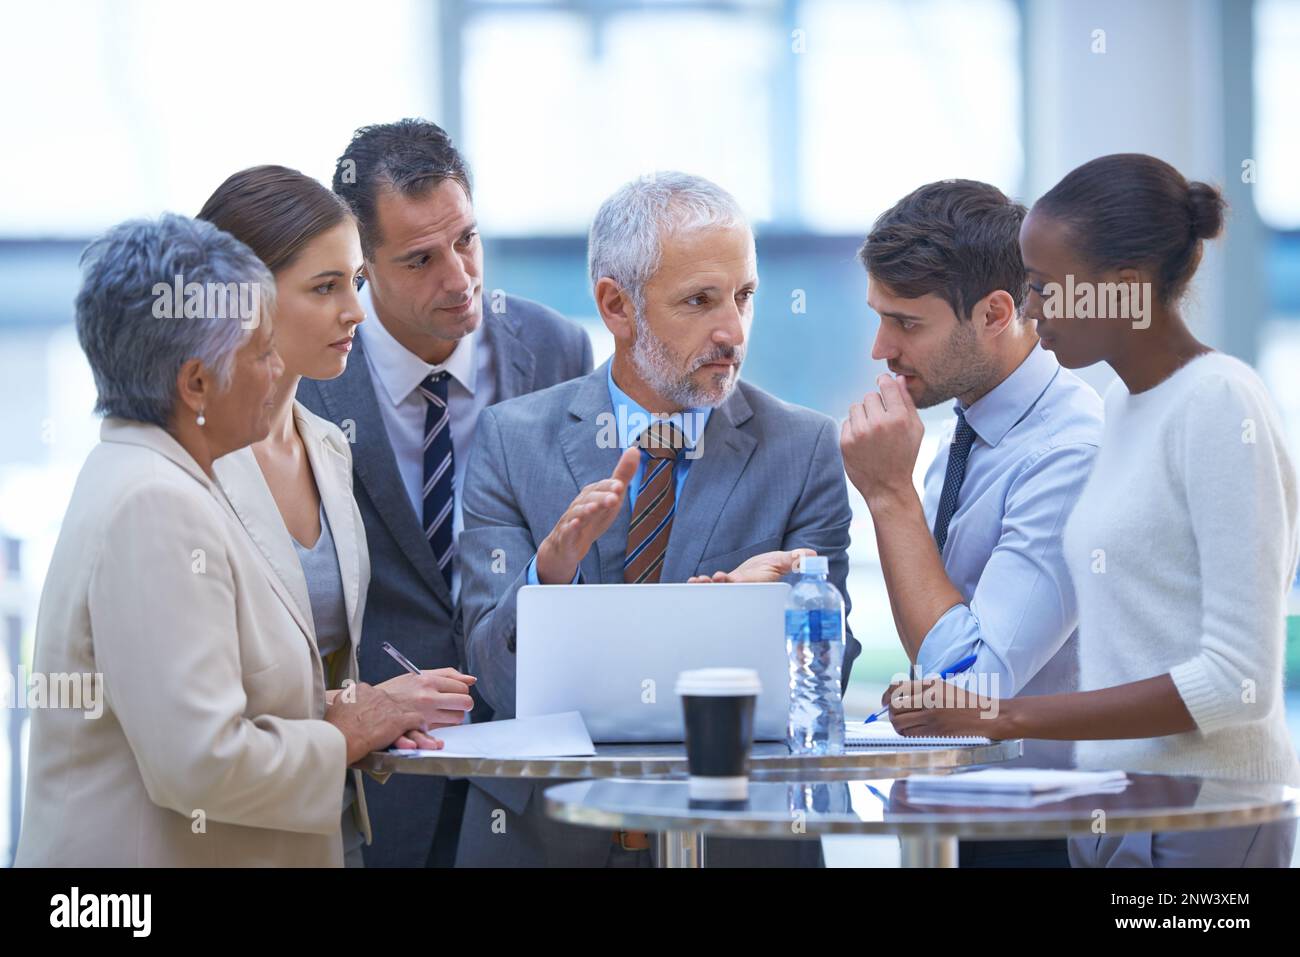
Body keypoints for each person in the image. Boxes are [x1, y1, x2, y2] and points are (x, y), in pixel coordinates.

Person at [889, 154, 1300, 867]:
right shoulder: (1122, 408)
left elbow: (1239, 679)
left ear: (1127, 290)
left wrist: (1003, 714)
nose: (1029, 310)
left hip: (1208, 811)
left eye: (1044, 287)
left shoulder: (1220, 402)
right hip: (1115, 805)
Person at [457, 171, 857, 867]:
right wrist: (548, 576)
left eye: (745, 296)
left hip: (740, 837)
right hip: (541, 838)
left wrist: (743, 606)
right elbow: (493, 677)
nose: (732, 330)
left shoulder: (804, 447)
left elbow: (826, 677)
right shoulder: (510, 439)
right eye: (700, 301)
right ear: (616, 305)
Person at [15, 215, 429, 867]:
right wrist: (341, 732)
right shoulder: (157, 503)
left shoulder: (152, 474)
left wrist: (356, 707)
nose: (277, 370)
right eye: (262, 352)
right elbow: (201, 762)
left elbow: (190, 703)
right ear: (196, 384)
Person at [296, 119, 594, 867]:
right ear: (362, 265)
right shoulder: (311, 378)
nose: (459, 277)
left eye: (466, 240)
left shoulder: (557, 348)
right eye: (421, 259)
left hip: (533, 768)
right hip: (388, 771)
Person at [197, 166, 477, 867]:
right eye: (325, 289)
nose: (355, 311)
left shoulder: (325, 443)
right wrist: (361, 717)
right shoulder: (187, 464)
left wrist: (377, 706)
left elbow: (315, 675)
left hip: (326, 831)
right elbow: (199, 724)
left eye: (353, 283)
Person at [839, 179, 1103, 866]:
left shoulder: (1068, 451)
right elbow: (936, 645)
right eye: (879, 315)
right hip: (961, 819)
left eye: (907, 323)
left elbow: (971, 687)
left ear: (994, 312)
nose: (880, 348)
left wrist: (890, 496)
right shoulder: (961, 432)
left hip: (1040, 834)